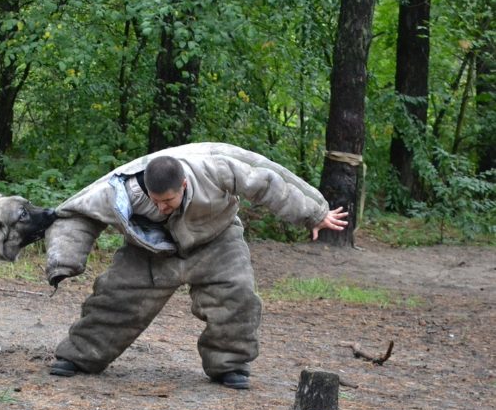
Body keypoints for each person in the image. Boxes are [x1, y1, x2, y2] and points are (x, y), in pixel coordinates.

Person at [46, 142, 348, 389]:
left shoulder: (215, 166)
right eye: (156, 201)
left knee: (237, 296)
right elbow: (74, 213)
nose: (162, 207)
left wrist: (313, 212)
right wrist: (65, 261)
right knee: (116, 299)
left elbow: (268, 181)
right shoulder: (119, 190)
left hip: (217, 238)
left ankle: (229, 365)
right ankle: (80, 355)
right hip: (151, 251)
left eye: (169, 200)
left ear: (184, 184)